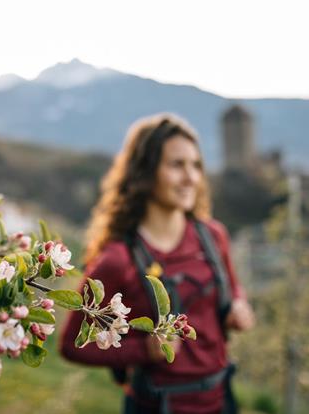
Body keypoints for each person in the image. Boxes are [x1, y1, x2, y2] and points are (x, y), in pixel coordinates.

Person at [60, 113, 255, 414]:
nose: (191, 177)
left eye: (196, 165)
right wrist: (143, 350)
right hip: (156, 405)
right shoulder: (118, 260)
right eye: (177, 165)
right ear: (146, 172)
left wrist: (238, 306)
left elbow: (233, 288)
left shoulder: (213, 236)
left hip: (220, 399)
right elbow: (72, 345)